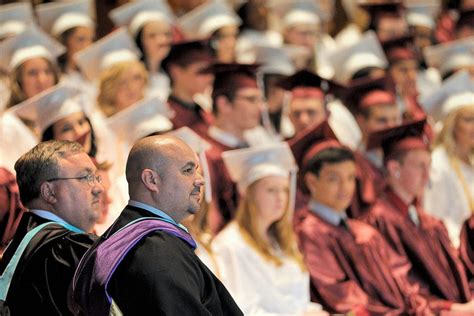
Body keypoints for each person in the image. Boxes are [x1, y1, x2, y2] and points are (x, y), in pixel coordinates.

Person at [70, 135, 243, 315]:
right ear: (151, 180)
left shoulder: (126, 238)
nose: (200, 180)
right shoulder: (156, 252)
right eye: (188, 170)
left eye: (197, 170)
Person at [293, 121, 429, 315]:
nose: (345, 187)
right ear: (312, 181)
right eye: (334, 178)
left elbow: (402, 283)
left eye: (350, 178)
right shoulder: (309, 232)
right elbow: (340, 296)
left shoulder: (363, 232)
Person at [362, 120, 474, 313]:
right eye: (420, 166)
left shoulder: (427, 221)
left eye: (428, 166)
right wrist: (450, 308)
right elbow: (398, 284)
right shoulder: (379, 220)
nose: (427, 175)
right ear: (394, 169)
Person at [213, 143, 326, 315]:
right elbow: (241, 309)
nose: (281, 198)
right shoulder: (231, 245)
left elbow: (295, 300)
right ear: (248, 193)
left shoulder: (282, 240)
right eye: (271, 190)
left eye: (285, 190)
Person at [0, 140, 101, 314]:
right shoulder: (66, 248)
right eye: (86, 178)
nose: (98, 188)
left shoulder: (23, 244)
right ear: (49, 192)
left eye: (96, 177)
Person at [422, 71, 474, 246]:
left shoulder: (471, 158)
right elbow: (434, 217)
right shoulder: (438, 164)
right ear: (451, 124)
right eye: (468, 120)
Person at [109, 0, 175, 101]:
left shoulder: (172, 74)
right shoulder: (131, 78)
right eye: (152, 35)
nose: (162, 41)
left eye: (167, 34)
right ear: (139, 40)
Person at [0, 26, 63, 109]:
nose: (42, 79)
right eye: (32, 73)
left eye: (48, 71)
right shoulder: (11, 121)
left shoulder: (64, 113)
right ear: (18, 80)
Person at [161, 39, 215, 134]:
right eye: (201, 71)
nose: (210, 77)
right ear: (176, 71)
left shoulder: (204, 112)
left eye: (210, 71)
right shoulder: (166, 118)